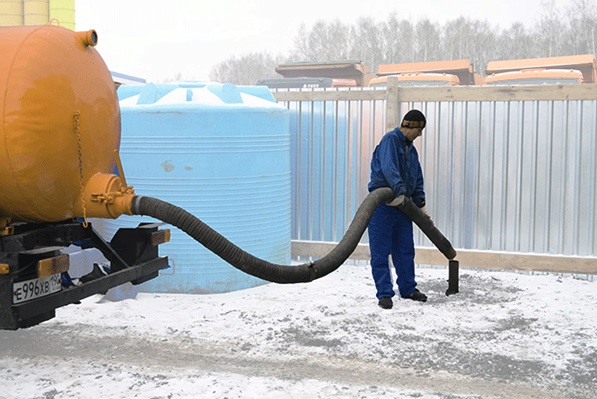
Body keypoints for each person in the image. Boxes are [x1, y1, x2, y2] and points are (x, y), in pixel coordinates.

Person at [367, 109, 430, 309]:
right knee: (381, 251)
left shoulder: (411, 149)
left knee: (405, 250)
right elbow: (389, 168)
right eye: (418, 130)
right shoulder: (390, 142)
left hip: (403, 207)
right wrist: (401, 192)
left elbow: (417, 177)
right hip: (383, 206)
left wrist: (420, 204)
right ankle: (384, 293)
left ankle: (408, 288)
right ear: (410, 125)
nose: (419, 134)